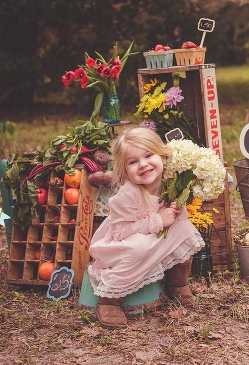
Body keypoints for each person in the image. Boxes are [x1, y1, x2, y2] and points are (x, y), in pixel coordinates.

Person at [86, 127, 205, 328]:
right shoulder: (127, 195)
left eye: (148, 155)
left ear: (163, 156)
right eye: (133, 162)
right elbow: (121, 232)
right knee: (137, 248)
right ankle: (109, 301)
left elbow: (176, 220)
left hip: (155, 237)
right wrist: (157, 221)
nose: (143, 165)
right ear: (124, 170)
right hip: (122, 242)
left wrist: (176, 211)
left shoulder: (173, 184)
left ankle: (176, 284)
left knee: (185, 231)